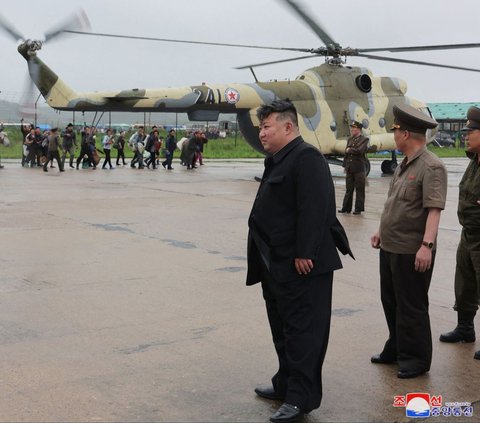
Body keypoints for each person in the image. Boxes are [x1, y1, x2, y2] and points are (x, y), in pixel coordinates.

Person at [247, 100, 343, 423]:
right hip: (277, 266)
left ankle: (301, 398)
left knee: (304, 333)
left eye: (266, 126)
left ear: (288, 127)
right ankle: (285, 383)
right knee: (283, 330)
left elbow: (316, 209)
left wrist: (306, 252)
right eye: (261, 127)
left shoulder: (307, 158)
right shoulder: (278, 159)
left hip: (302, 266)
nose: (262, 132)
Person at [370, 103, 448, 379]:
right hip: (390, 246)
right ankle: (396, 347)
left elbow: (434, 210)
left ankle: (416, 359)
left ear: (405, 134)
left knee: (412, 306)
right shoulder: (403, 165)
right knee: (390, 302)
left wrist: (426, 246)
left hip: (412, 250)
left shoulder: (432, 167)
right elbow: (395, 204)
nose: (393, 135)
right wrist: (381, 230)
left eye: (396, 130)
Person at [439, 106, 480, 361]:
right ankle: (465, 328)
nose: (465, 136)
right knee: (464, 284)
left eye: (471, 131)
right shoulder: (474, 162)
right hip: (469, 234)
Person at [338, 121, 369, 215]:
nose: (352, 130)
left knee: (359, 189)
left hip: (359, 168)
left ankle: (358, 209)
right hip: (350, 168)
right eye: (351, 128)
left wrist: (350, 149)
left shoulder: (364, 139)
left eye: (353, 128)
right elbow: (346, 154)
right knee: (349, 189)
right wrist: (345, 165)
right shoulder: (350, 139)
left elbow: (359, 150)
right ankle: (346, 208)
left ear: (359, 129)